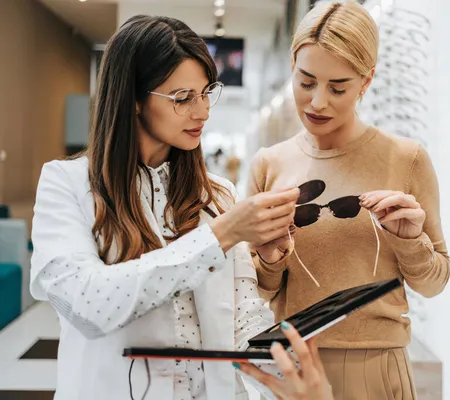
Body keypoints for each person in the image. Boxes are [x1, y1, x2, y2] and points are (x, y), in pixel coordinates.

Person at [29, 15, 300, 400]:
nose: (203, 111)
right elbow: (89, 305)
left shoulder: (218, 195)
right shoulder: (67, 184)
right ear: (134, 99)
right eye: (183, 98)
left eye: (207, 92)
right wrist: (221, 236)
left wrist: (291, 373)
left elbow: (244, 323)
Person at [247, 1, 450, 399]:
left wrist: (409, 241)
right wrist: (271, 258)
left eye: (337, 87)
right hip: (295, 365)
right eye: (306, 82)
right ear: (292, 67)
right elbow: (256, 290)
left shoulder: (405, 158)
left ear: (367, 80)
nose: (317, 102)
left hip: (378, 365)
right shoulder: (269, 164)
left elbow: (434, 283)